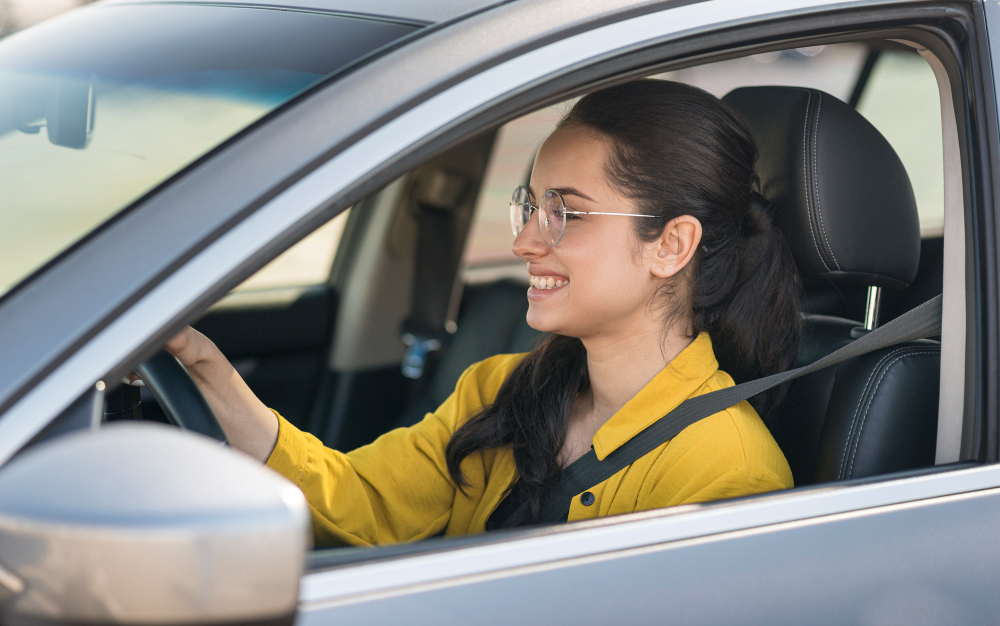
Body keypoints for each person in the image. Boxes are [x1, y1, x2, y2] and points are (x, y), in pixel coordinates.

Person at [164, 79, 800, 547]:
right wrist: (207, 372)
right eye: (531, 205)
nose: (525, 242)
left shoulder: (727, 473)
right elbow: (362, 505)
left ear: (670, 245)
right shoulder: (499, 389)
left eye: (567, 213)